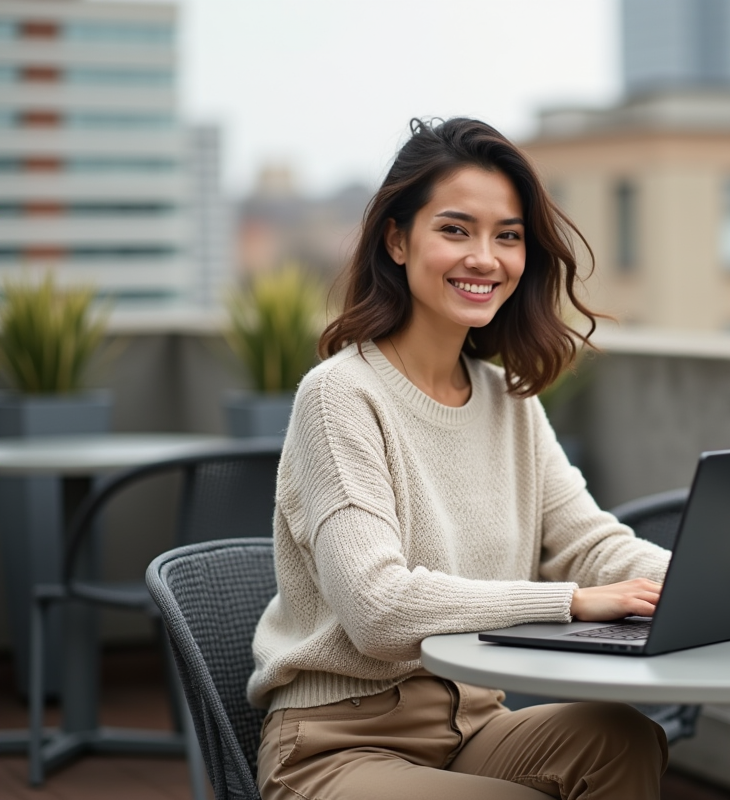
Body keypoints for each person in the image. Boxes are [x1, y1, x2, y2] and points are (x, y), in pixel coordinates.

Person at [247, 117, 673, 800]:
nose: (485, 258)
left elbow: (590, 544)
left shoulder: (509, 399)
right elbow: (376, 610)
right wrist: (570, 603)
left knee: (622, 740)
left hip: (474, 727)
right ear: (397, 239)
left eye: (507, 236)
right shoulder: (340, 396)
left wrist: (707, 586)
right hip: (340, 747)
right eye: (455, 230)